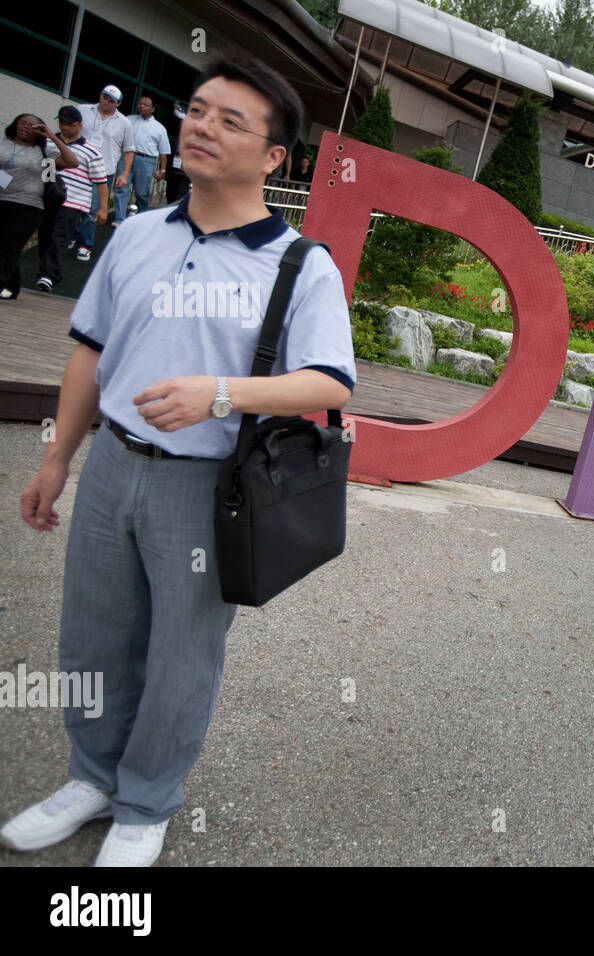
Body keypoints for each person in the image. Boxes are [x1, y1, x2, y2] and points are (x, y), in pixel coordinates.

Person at [1, 54, 356, 867]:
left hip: (206, 486)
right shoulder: (134, 235)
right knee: (91, 637)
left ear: (275, 158)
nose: (202, 127)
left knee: (180, 653)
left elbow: (328, 380)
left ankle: (147, 801)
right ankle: (90, 777)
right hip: (111, 466)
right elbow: (90, 353)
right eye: (198, 111)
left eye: (232, 120)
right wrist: (58, 459)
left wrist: (220, 394)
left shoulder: (301, 264)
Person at [1, 113, 78, 299]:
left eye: (32, 126)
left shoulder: (44, 152)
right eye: (22, 123)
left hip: (28, 206)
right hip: (2, 200)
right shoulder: (3, 143)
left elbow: (72, 162)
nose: (26, 127)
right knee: (5, 245)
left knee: (9, 245)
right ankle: (13, 283)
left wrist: (52, 136)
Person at [36, 107, 109, 293]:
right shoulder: (47, 142)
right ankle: (47, 271)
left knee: (59, 237)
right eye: (61, 122)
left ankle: (49, 275)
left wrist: (102, 208)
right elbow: (43, 170)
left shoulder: (92, 151)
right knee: (45, 236)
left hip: (74, 201)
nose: (64, 126)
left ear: (79, 125)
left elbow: (101, 182)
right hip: (47, 198)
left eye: (69, 123)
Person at [74, 85, 133, 260]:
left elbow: (129, 150)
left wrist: (124, 174)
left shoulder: (125, 123)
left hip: (103, 170)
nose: (106, 102)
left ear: (118, 103)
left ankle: (85, 243)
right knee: (71, 204)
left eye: (111, 100)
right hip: (77, 164)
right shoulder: (83, 110)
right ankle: (72, 235)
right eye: (104, 97)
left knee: (92, 208)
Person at [124, 94, 170, 214]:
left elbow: (163, 153)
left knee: (141, 193)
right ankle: (119, 218)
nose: (141, 106)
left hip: (146, 161)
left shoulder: (159, 129)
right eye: (140, 103)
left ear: (152, 109)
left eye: (145, 105)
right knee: (121, 188)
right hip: (127, 157)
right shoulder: (129, 120)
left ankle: (141, 216)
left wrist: (162, 171)